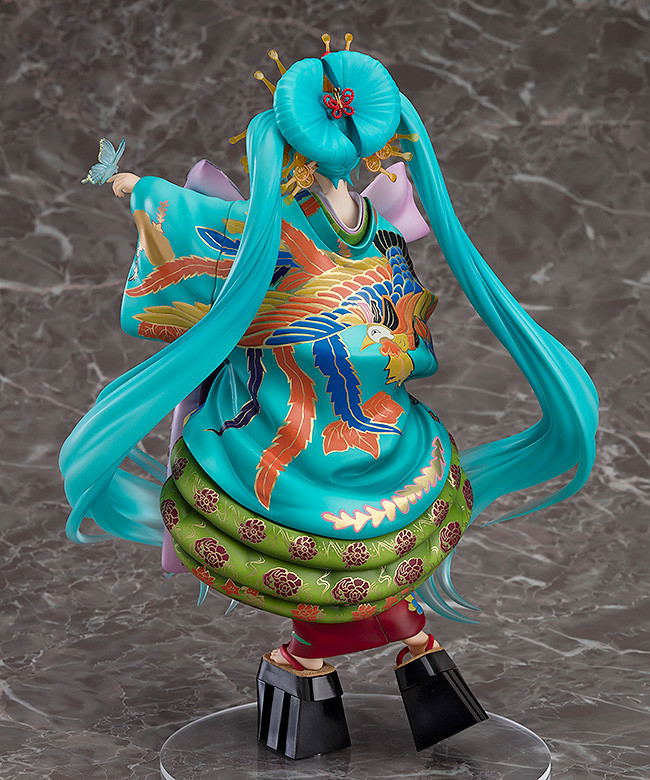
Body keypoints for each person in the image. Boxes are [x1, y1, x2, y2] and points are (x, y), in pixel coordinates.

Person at [59, 34, 598, 756]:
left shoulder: (382, 232)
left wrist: (387, 344)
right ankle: (314, 664)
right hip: (288, 426)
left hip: (374, 422)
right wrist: (132, 188)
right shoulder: (270, 226)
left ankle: (342, 660)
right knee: (324, 567)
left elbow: (408, 327)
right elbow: (189, 218)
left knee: (384, 562)